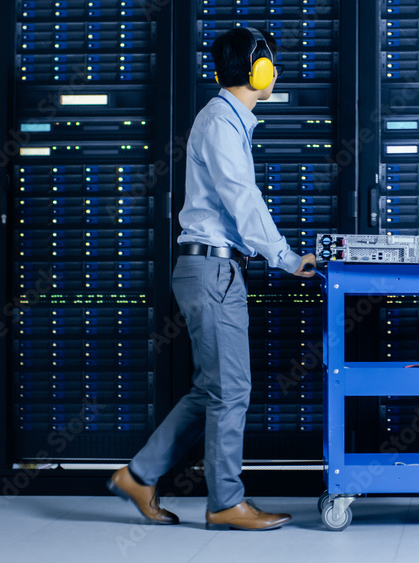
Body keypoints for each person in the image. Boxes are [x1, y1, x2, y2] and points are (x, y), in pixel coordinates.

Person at [108, 26, 316, 531]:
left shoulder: (228, 121)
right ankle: (225, 503)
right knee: (232, 391)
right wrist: (287, 258)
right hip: (214, 268)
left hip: (212, 267)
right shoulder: (222, 123)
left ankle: (139, 475)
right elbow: (243, 200)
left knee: (211, 389)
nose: (276, 72)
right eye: (271, 63)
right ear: (257, 71)